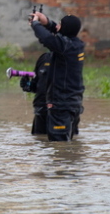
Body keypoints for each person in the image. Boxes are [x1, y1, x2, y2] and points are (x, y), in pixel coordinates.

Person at [29, 11, 85, 141]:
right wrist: (46, 22)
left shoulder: (64, 46)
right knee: (66, 143)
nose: (57, 27)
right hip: (72, 103)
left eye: (59, 25)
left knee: (59, 145)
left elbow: (47, 39)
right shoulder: (75, 44)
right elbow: (58, 34)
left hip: (61, 104)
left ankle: (61, 162)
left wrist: (35, 24)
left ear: (64, 28)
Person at [19, 52, 52, 135]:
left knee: (62, 142)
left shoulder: (68, 58)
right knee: (39, 139)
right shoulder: (44, 58)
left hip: (61, 111)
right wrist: (28, 85)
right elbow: (37, 84)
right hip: (41, 110)